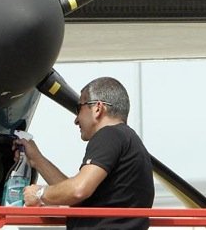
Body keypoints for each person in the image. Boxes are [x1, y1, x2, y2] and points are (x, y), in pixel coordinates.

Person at [16, 77, 154, 229]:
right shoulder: (128, 140)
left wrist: (40, 194)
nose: (76, 120)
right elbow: (75, 197)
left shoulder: (109, 135)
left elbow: (79, 190)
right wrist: (37, 159)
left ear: (97, 108)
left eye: (79, 108)